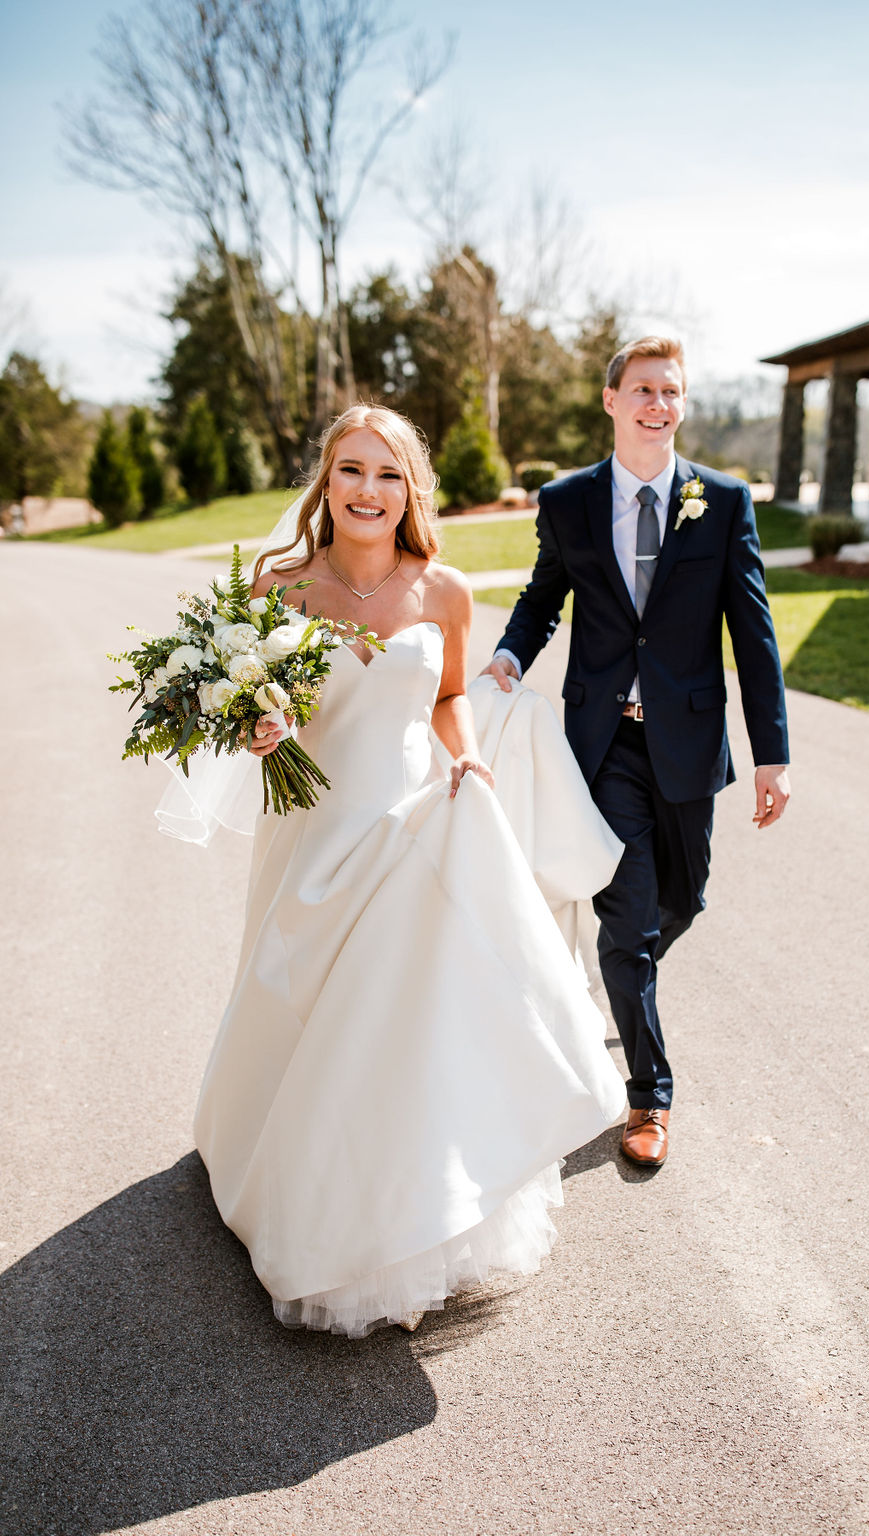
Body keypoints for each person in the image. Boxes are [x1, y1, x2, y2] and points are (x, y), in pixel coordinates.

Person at [193, 404, 626, 1337]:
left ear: (411, 489)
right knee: (290, 994)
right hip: (309, 827)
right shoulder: (277, 587)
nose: (368, 491)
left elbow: (448, 697)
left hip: (404, 823)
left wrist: (466, 756)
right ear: (326, 480)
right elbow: (252, 711)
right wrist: (259, 728)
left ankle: (393, 1202)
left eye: (388, 475)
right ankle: (267, 1154)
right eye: (351, 470)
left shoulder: (444, 592)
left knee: (395, 1017)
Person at [483, 337, 790, 1169]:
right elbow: (543, 596)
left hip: (689, 742)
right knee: (626, 921)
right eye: (644, 388)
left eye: (672, 391)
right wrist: (510, 655)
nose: (659, 403)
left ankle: (627, 977)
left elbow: (753, 631)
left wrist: (772, 752)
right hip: (604, 739)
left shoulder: (721, 501)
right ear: (612, 399)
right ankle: (648, 1098)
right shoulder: (570, 499)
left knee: (681, 903)